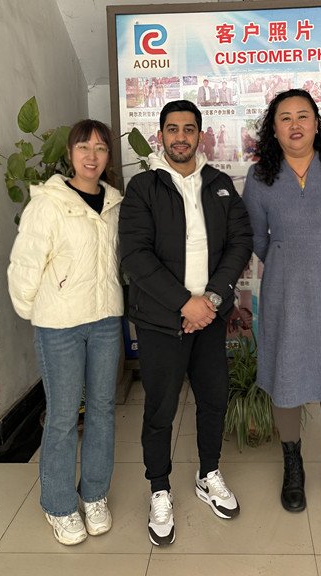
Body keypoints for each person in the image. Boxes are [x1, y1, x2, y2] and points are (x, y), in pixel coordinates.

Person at [119, 100, 252, 546]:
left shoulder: (219, 184)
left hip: (210, 317)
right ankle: (159, 489)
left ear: (200, 135)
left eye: (189, 129)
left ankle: (208, 474)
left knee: (213, 399)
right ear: (160, 136)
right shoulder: (143, 187)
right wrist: (183, 304)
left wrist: (209, 300)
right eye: (172, 129)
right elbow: (135, 255)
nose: (181, 137)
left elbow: (240, 240)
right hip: (161, 322)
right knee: (160, 409)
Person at [242, 89, 321, 515]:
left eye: (303, 116)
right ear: (273, 129)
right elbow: (256, 236)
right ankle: (292, 465)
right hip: (283, 287)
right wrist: (287, 259)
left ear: (316, 123)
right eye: (285, 118)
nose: (295, 125)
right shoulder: (259, 177)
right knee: (286, 370)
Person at [8, 120, 124, 546]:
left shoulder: (114, 203)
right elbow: (25, 262)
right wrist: (35, 309)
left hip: (106, 319)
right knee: (62, 414)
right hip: (59, 325)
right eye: (83, 147)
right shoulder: (49, 202)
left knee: (102, 410)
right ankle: (58, 505)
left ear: (108, 156)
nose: (92, 156)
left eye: (100, 148)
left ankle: (94, 495)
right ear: (70, 154)